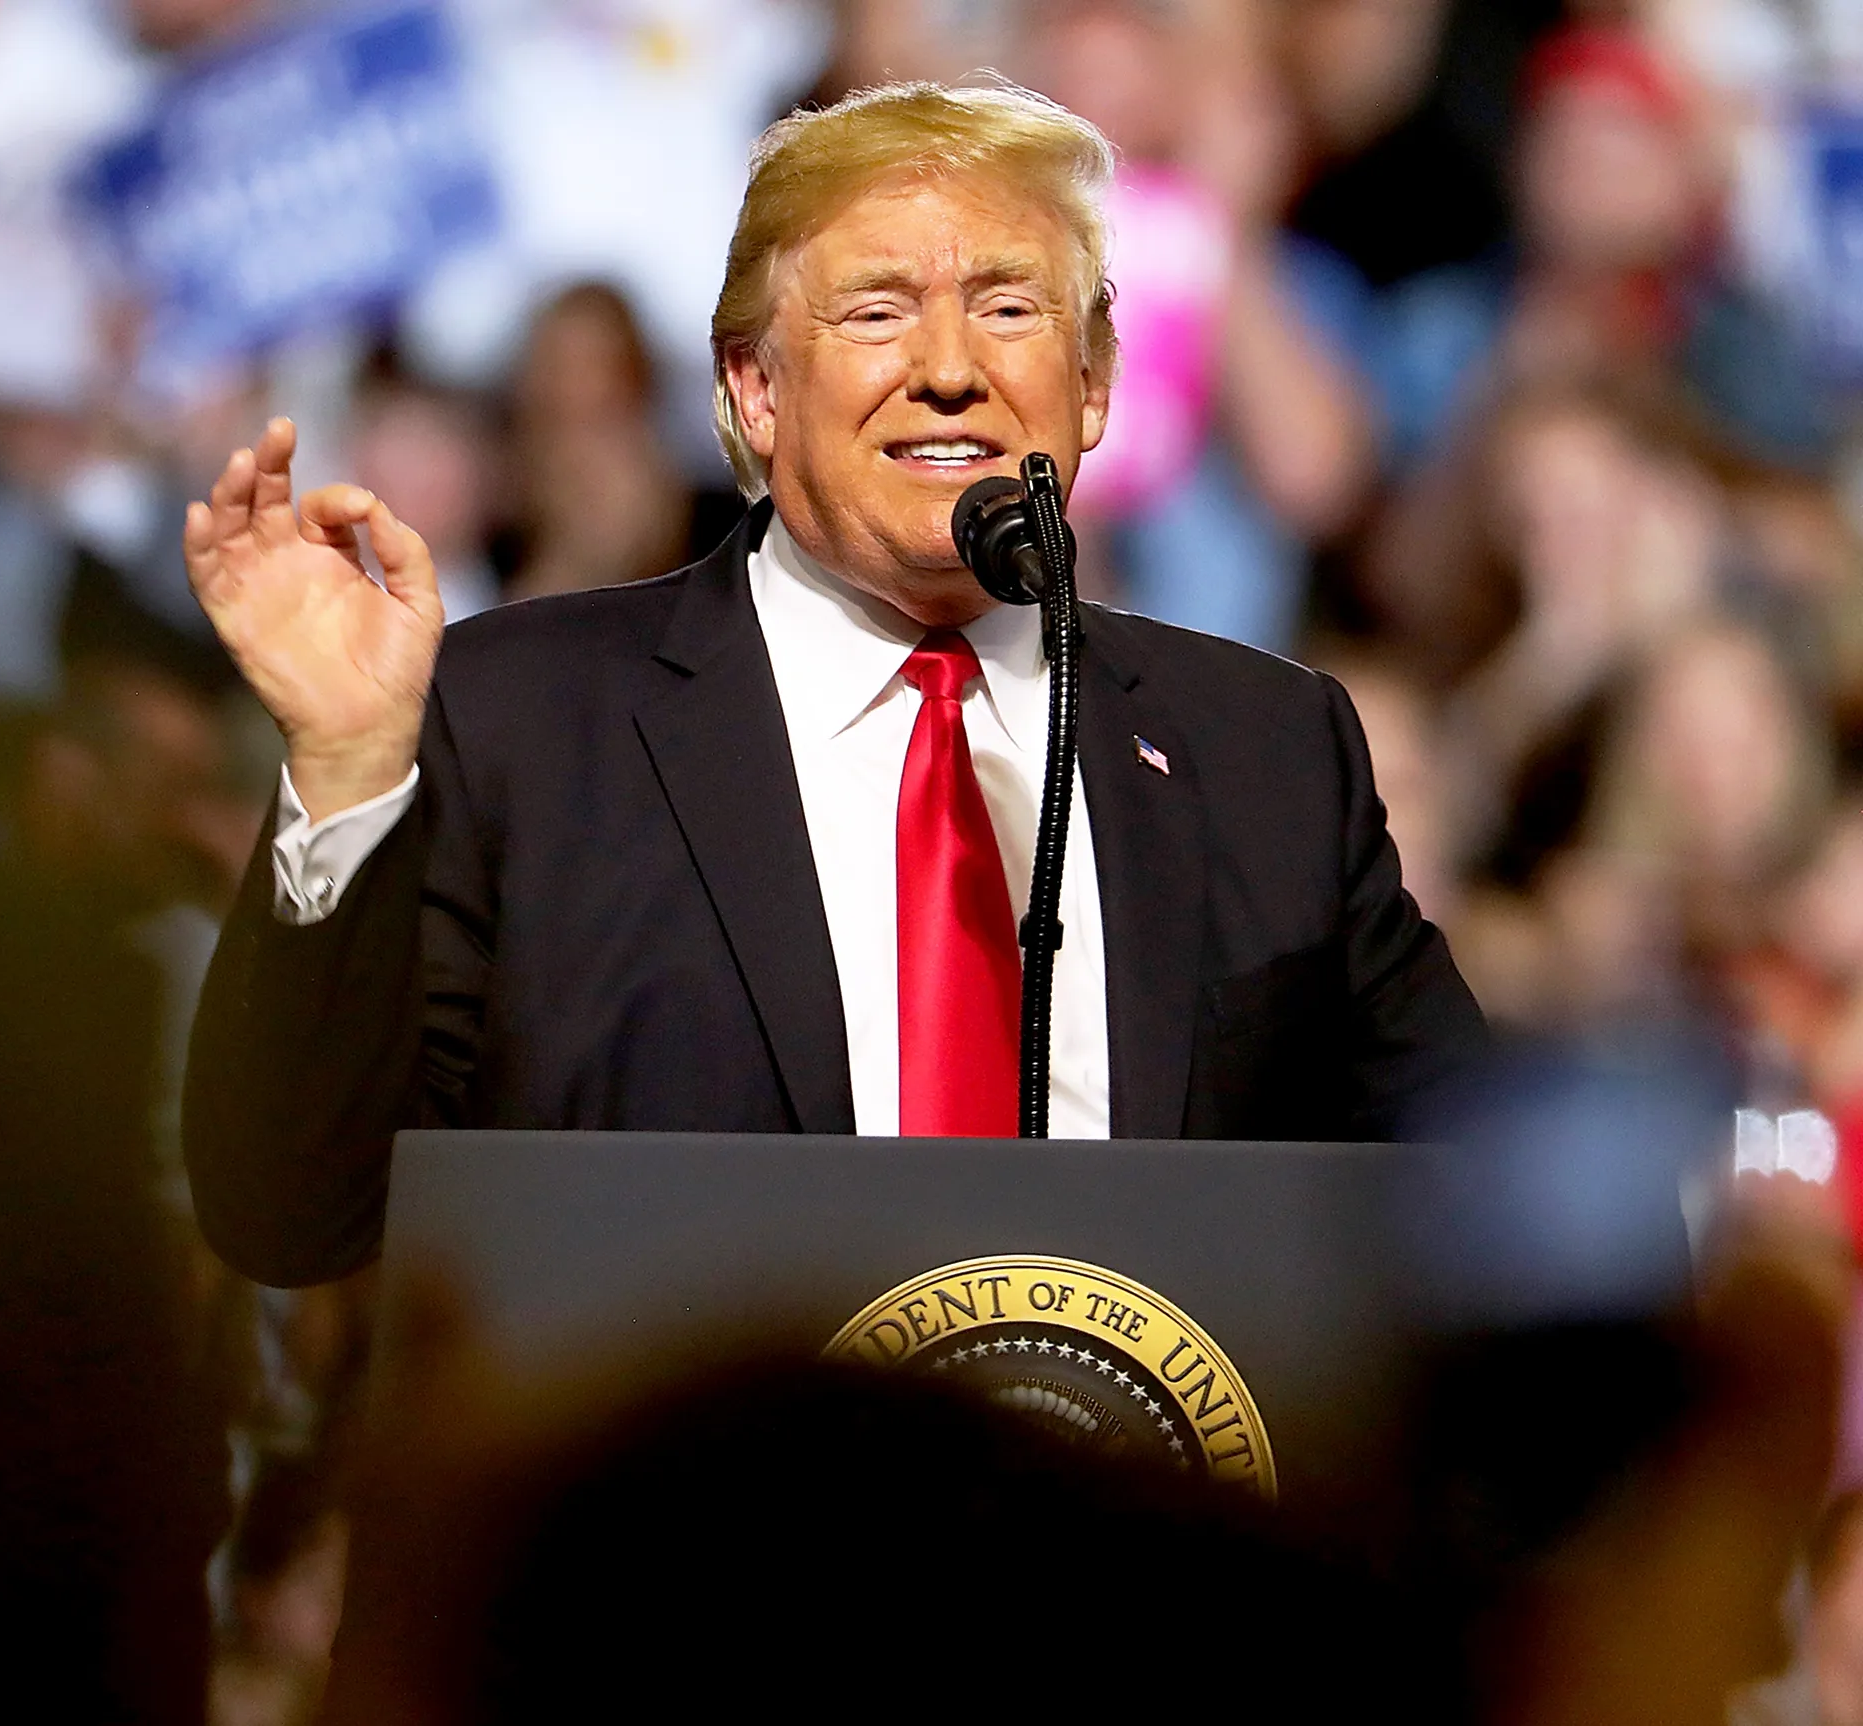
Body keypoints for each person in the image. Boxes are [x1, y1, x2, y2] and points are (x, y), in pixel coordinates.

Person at [180, 82, 1485, 1289]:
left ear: (1092, 387)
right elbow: (291, 1208)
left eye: (1011, 306)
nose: (950, 366)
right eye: (875, 309)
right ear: (753, 389)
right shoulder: (519, 722)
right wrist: (349, 773)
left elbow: (1481, 1191)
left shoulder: (1262, 749)